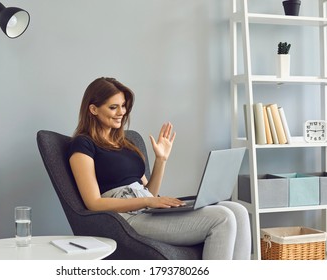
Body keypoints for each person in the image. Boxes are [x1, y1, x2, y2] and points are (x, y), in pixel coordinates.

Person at [68, 77, 251, 260]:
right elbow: (94, 202)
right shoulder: (83, 144)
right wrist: (148, 202)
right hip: (125, 219)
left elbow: (150, 192)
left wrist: (161, 159)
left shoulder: (127, 144)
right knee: (223, 217)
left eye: (123, 106)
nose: (121, 112)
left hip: (147, 211)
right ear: (93, 109)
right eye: (113, 107)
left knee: (238, 211)